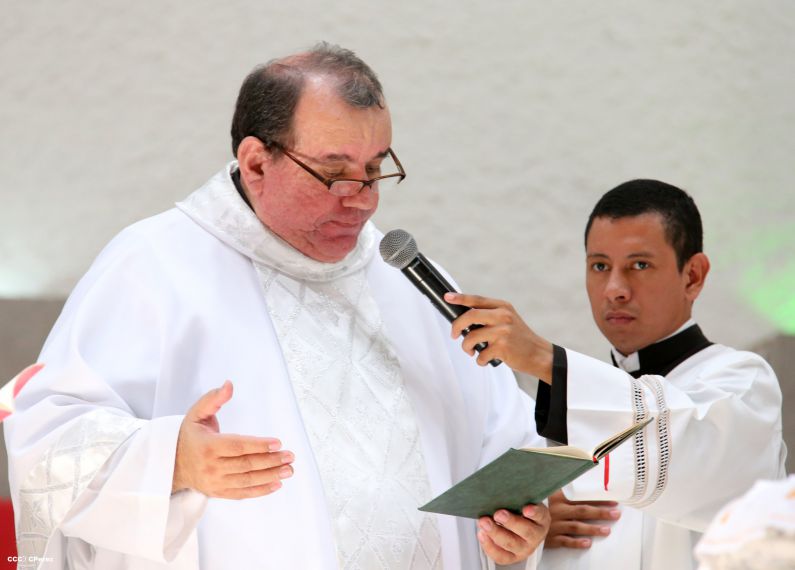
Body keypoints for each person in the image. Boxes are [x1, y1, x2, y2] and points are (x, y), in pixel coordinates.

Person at [4, 43, 549, 570]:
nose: (363, 198)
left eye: (375, 167)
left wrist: (517, 525)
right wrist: (174, 460)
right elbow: (46, 438)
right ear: (256, 163)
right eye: (334, 173)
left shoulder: (408, 280)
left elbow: (504, 437)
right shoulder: (153, 266)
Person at [444, 179, 786, 570]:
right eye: (600, 266)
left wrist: (544, 358)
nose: (615, 289)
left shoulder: (743, 383)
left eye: (640, 265)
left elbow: (694, 459)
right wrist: (530, 536)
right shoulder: (576, 413)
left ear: (692, 275)